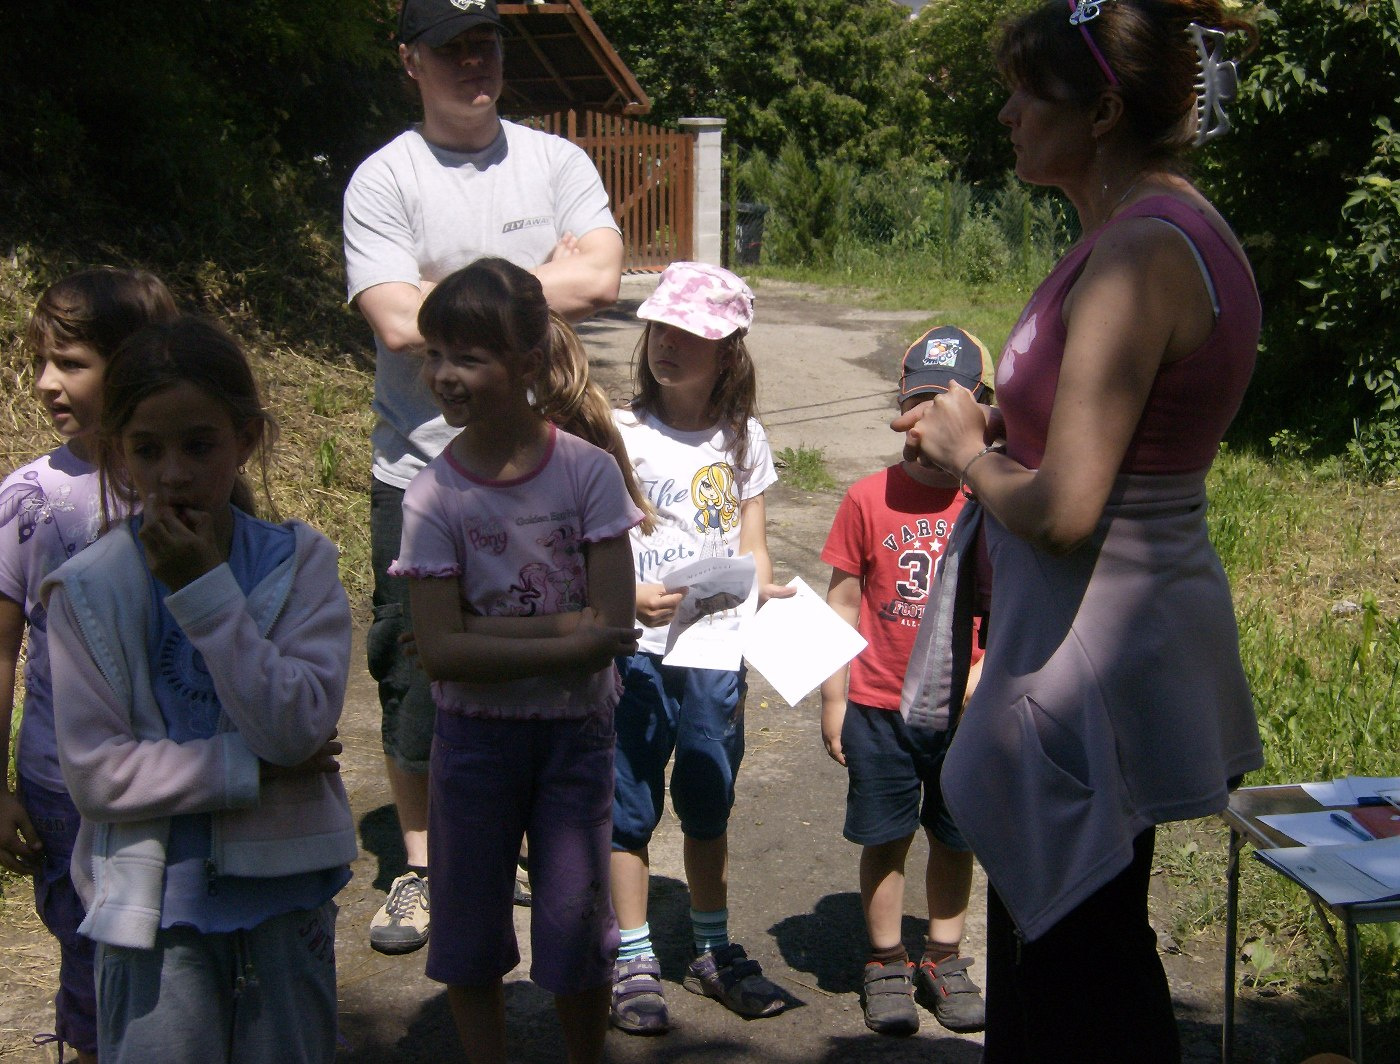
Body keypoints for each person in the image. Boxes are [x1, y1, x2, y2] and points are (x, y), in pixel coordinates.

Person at [893, 1, 1263, 1059]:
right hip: (1117, 633)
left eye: (1026, 91)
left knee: (1072, 970)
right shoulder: (1170, 227)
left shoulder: (1137, 252)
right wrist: (995, 426)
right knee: (1080, 945)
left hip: (1087, 653)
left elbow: (1061, 510)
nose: (1005, 112)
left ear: (1100, 108)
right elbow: (1124, 427)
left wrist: (971, 451)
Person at [343, 0, 625, 953]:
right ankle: (425, 865)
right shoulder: (386, 177)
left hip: (548, 466)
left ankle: (543, 840)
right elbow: (390, 318)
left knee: (564, 646)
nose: (474, 61)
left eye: (487, 42)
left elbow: (605, 280)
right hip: (420, 470)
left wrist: (449, 292)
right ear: (408, 60)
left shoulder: (556, 160)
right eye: (451, 47)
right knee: (413, 662)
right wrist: (530, 285)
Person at [43, 316, 358, 1064]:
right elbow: (97, 775)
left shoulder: (301, 565)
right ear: (115, 451)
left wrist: (206, 592)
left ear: (245, 438)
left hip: (285, 900)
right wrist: (246, 771)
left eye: (199, 445)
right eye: (147, 450)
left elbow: (295, 730)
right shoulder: (88, 590)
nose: (174, 473)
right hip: (154, 917)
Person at [390, 258, 643, 1064]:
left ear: (527, 365)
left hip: (576, 738)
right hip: (471, 743)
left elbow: (616, 624)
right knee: (467, 924)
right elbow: (439, 652)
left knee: (575, 921)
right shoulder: (433, 495)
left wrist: (490, 634)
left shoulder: (589, 472)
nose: (442, 375)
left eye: (467, 356)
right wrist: (569, 633)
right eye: (434, 354)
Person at [607, 261, 794, 1035]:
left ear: (729, 353)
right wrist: (623, 601)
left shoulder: (744, 439)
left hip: (714, 652)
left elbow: (754, 547)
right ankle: (632, 953)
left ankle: (710, 948)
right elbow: (594, 545)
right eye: (661, 330)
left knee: (709, 797)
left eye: (692, 334)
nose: (669, 346)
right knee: (629, 803)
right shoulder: (619, 434)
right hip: (638, 648)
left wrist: (766, 591)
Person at [0, 268, 178, 1064]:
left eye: (71, 363)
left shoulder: (187, 484)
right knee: (85, 951)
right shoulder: (28, 498)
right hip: (62, 780)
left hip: (179, 772)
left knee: (177, 954)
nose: (45, 383)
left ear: (136, 363)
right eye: (42, 361)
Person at [818, 325, 995, 1038]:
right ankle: (886, 959)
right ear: (899, 404)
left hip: (965, 712)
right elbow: (840, 600)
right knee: (886, 837)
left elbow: (1008, 605)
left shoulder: (990, 501)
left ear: (981, 414)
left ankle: (943, 957)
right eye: (919, 401)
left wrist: (988, 672)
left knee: (957, 839)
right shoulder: (867, 499)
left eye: (948, 405)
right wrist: (835, 698)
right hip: (879, 706)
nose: (930, 420)